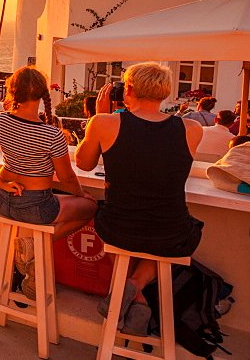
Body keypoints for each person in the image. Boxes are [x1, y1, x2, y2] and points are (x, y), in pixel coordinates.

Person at [76, 62, 204, 336]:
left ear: (128, 90)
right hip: (171, 234)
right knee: (180, 235)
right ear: (165, 93)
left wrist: (97, 120)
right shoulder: (192, 129)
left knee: (122, 229)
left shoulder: (105, 122)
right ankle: (135, 288)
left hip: (118, 229)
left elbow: (84, 164)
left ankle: (126, 287)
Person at [0, 66, 97, 299]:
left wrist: (1, 183)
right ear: (42, 94)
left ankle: (31, 251)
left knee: (61, 202)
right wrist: (82, 194)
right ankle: (36, 248)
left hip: (2, 201)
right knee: (91, 207)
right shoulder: (51, 134)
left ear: (12, 92)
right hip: (36, 208)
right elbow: (68, 178)